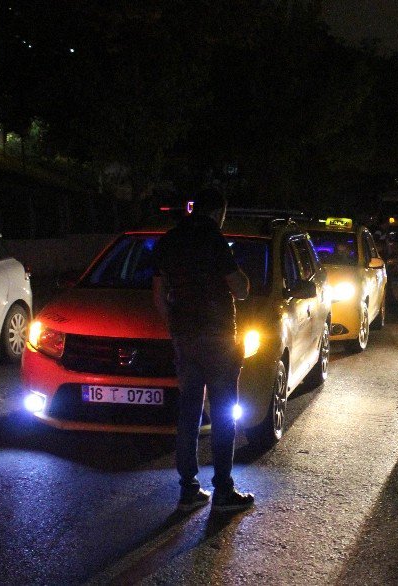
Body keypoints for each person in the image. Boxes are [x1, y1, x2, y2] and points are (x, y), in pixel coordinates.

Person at [153, 188, 255, 514]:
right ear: (218, 213)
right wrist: (242, 277)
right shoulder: (214, 238)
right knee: (223, 413)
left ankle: (188, 491)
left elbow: (159, 293)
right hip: (218, 338)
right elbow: (240, 289)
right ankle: (223, 490)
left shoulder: (170, 239)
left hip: (185, 338)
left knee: (189, 413)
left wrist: (175, 329)